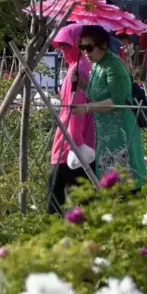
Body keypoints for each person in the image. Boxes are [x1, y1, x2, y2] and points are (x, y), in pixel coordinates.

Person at [72, 25, 147, 189]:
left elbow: (117, 101)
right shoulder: (98, 65)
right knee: (109, 181)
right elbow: (97, 95)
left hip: (121, 131)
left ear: (103, 45)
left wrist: (86, 108)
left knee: (125, 180)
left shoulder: (114, 66)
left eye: (89, 47)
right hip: (105, 133)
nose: (85, 52)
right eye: (82, 47)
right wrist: (81, 85)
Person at [48, 24, 96, 214]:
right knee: (86, 190)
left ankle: (52, 234)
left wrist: (75, 141)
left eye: (67, 45)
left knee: (56, 187)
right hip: (83, 138)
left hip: (71, 141)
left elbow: (75, 108)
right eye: (61, 46)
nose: (62, 50)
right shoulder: (85, 66)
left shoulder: (76, 70)